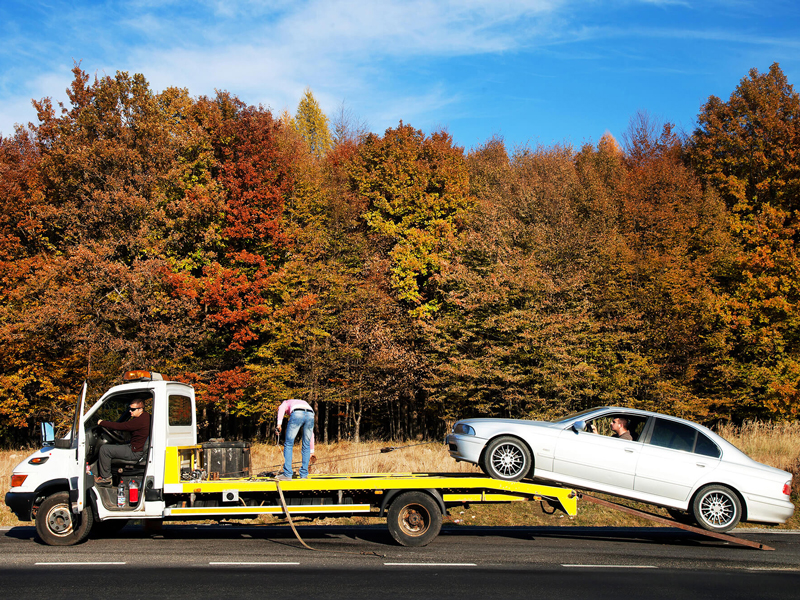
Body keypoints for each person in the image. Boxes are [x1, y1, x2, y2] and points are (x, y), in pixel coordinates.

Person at [94, 399, 151, 485]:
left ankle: (106, 478)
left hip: (135, 452)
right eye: (130, 409)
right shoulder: (146, 417)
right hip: (136, 448)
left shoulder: (139, 421)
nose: (130, 411)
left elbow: (120, 426)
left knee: (104, 450)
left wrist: (102, 422)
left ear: (140, 409)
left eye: (133, 409)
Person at [275, 398, 316, 480]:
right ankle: (304, 475)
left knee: (289, 444)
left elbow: (281, 408)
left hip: (297, 413)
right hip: (311, 414)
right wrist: (312, 451)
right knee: (306, 444)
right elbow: (311, 434)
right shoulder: (304, 402)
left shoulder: (285, 402)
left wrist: (279, 424)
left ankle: (287, 474)